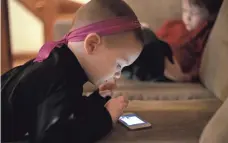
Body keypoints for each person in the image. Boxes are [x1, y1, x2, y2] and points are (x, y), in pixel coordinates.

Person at [1, 0, 144, 142]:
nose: (118, 74)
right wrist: (106, 118)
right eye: (119, 64)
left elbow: (68, 111)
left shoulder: (61, 63)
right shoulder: (59, 75)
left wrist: (98, 99)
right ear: (92, 45)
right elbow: (52, 137)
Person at [157, 0, 224, 82]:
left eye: (194, 13)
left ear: (211, 16)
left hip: (171, 67)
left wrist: (188, 77)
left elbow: (201, 66)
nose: (187, 17)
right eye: (185, 10)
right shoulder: (172, 26)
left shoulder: (205, 34)